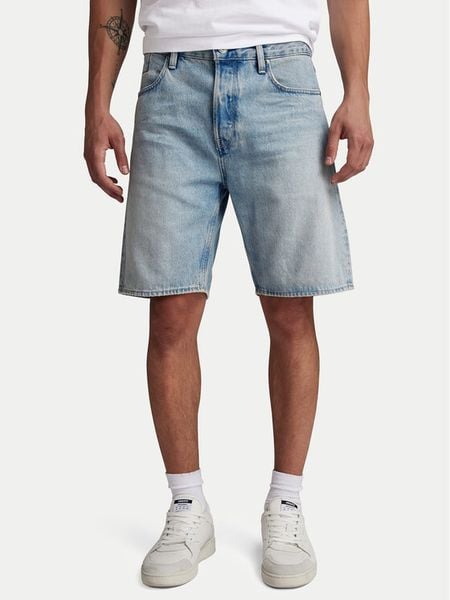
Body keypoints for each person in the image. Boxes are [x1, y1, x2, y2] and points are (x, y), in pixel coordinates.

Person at [84, 0, 373, 589]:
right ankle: (187, 505)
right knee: (170, 310)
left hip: (281, 79)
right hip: (170, 83)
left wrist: (359, 91)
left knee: (291, 308)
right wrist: (96, 100)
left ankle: (286, 504)